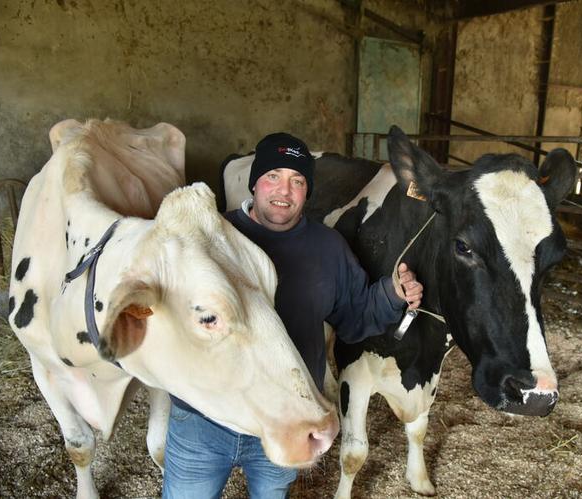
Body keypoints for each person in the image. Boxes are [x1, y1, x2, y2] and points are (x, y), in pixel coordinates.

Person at [162, 132, 423, 499]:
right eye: (273, 176)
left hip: (289, 417)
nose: (284, 191)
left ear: (307, 191)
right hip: (204, 420)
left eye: (297, 181)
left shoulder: (327, 248)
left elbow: (354, 318)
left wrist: (391, 293)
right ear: (254, 183)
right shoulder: (209, 239)